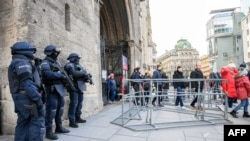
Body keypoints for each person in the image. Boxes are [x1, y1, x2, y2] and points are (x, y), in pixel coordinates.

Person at [8, 41, 45, 141]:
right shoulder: (21, 62)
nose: (32, 54)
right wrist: (38, 100)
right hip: (29, 99)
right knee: (36, 126)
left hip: (22, 99)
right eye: (31, 51)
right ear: (25, 51)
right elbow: (27, 84)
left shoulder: (18, 61)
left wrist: (36, 67)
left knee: (23, 125)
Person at [40, 45, 70, 140]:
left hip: (59, 89)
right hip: (51, 89)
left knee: (60, 108)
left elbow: (61, 73)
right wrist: (59, 75)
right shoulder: (45, 62)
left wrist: (65, 79)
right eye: (55, 52)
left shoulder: (56, 62)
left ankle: (59, 127)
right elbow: (47, 74)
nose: (56, 54)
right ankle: (48, 131)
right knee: (51, 110)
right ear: (50, 52)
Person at [64, 53, 90, 128]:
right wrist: (84, 73)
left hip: (80, 86)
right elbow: (74, 74)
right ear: (73, 58)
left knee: (80, 103)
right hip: (73, 86)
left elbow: (84, 72)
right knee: (74, 103)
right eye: (77, 58)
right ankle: (72, 121)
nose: (78, 59)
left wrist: (87, 76)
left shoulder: (79, 65)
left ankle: (78, 117)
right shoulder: (69, 65)